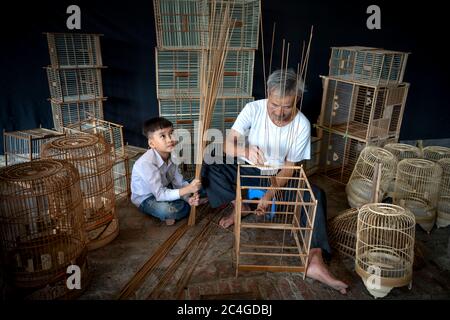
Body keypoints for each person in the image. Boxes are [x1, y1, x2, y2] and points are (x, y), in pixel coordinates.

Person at [201, 69, 349, 294]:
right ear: (268, 93)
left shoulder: (302, 125)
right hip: (246, 169)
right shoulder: (253, 109)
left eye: (287, 106)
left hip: (277, 176)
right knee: (210, 164)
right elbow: (226, 145)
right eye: (274, 104)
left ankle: (315, 260)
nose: (279, 112)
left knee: (316, 195)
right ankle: (240, 205)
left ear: (296, 99)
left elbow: (290, 167)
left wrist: (270, 194)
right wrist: (245, 149)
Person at [131, 117, 202, 225]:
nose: (170, 139)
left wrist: (188, 198)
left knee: (200, 182)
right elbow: (159, 194)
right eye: (163, 136)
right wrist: (188, 189)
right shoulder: (146, 163)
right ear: (152, 144)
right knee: (167, 210)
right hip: (147, 198)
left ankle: (185, 203)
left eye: (171, 133)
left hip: (166, 187)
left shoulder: (172, 154)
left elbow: (178, 183)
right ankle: (172, 210)